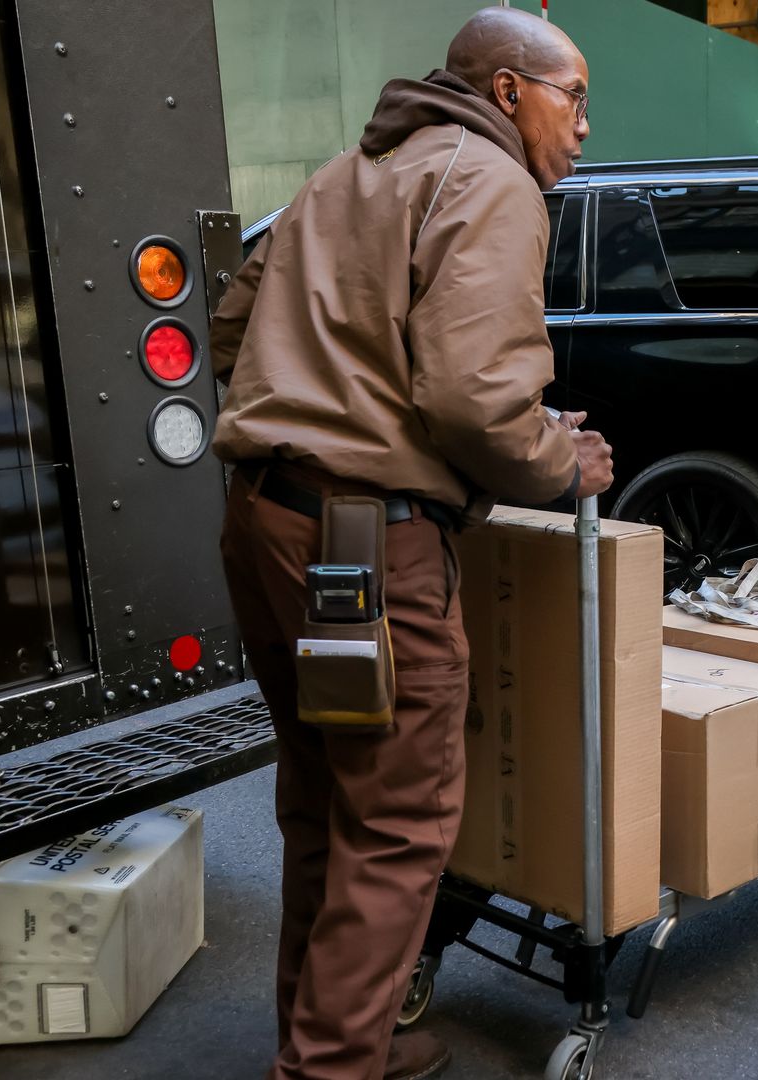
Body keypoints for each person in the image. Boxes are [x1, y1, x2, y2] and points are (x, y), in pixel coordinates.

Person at [208, 9, 613, 1079]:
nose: (583, 128)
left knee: (322, 799)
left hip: (263, 516)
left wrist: (320, 398)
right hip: (363, 541)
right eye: (574, 98)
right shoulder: (491, 183)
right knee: (397, 819)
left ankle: (334, 1040)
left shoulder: (343, 173)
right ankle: (333, 1066)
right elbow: (477, 400)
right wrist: (560, 463)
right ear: (508, 90)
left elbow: (226, 327)